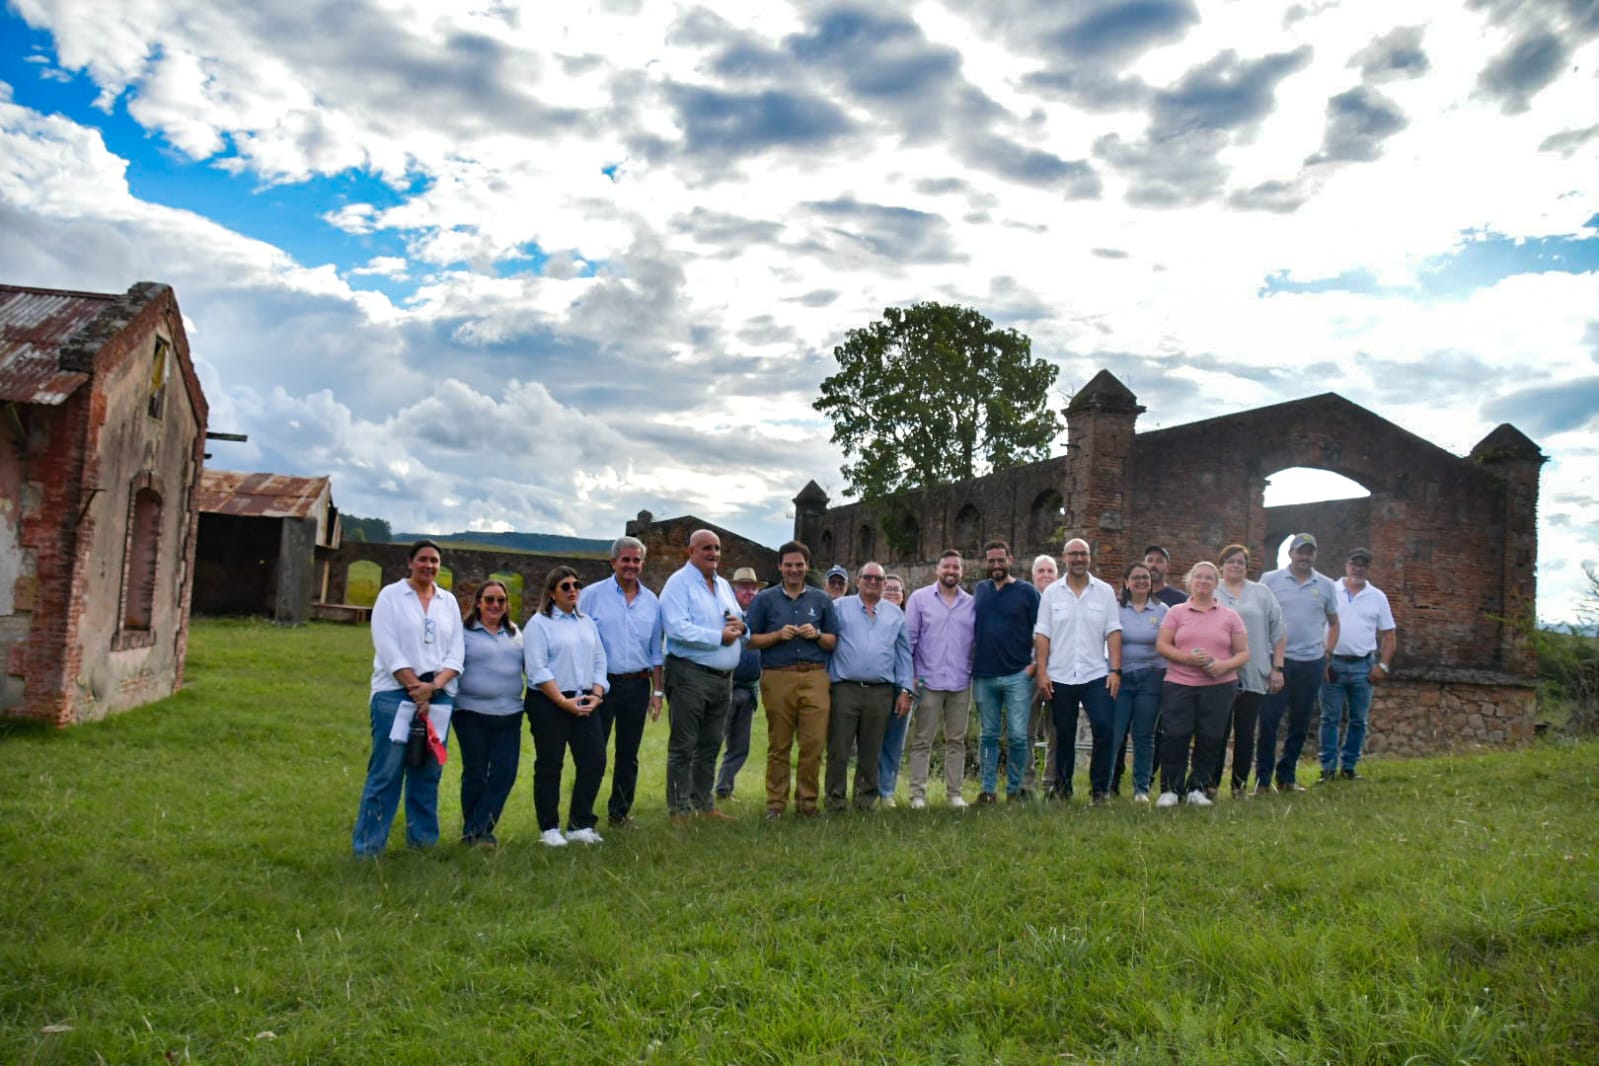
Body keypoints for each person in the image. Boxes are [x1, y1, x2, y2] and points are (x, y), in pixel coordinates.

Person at [352, 539, 464, 856]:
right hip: (394, 693)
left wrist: (434, 687)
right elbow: (388, 648)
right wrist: (417, 689)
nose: (429, 566)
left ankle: (423, 845)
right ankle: (368, 847)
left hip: (439, 696)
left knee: (428, 772)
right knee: (386, 772)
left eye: (435, 561)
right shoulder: (391, 596)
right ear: (410, 562)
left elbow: (457, 652)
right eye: (423, 559)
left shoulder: (448, 601)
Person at [659, 529, 746, 823]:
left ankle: (703, 804)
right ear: (690, 552)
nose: (714, 553)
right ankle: (679, 809)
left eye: (717, 548)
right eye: (706, 548)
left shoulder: (722, 585)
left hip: (723, 678)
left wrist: (740, 626)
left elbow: (736, 618)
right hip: (690, 675)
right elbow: (675, 627)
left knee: (710, 745)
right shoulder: (678, 584)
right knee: (684, 746)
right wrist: (717, 637)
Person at [747, 541, 838, 819]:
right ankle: (776, 804)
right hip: (778, 676)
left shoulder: (821, 599)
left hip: (814, 676)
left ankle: (807, 803)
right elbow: (750, 640)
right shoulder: (765, 599)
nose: (794, 570)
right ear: (780, 566)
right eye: (789, 565)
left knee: (813, 744)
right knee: (780, 744)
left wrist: (817, 635)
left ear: (807, 567)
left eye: (799, 565)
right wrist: (776, 635)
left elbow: (833, 641)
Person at [579, 536, 664, 831]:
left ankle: (620, 814)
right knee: (594, 753)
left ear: (643, 564)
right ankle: (582, 817)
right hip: (601, 686)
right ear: (613, 562)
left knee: (628, 754)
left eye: (636, 560)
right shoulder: (591, 595)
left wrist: (657, 691)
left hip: (638, 685)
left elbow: (656, 650)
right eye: (625, 559)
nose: (631, 565)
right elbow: (578, 638)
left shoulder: (652, 601)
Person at [524, 566, 609, 846]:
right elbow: (537, 668)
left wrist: (597, 694)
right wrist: (562, 701)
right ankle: (549, 828)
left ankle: (580, 824)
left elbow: (599, 659)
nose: (573, 590)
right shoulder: (539, 624)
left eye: (577, 584)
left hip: (585, 698)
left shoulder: (586, 622)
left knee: (594, 760)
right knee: (550, 763)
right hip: (549, 701)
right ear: (551, 592)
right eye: (565, 586)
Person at [1033, 538, 1122, 804]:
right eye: (1073, 554)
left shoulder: (1104, 592)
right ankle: (1062, 789)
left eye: (1082, 554)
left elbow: (1114, 631)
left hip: (1095, 674)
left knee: (1105, 729)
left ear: (1089, 557)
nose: (1078, 559)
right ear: (1065, 558)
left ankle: (1099, 790)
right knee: (1063, 734)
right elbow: (1043, 634)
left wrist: (1115, 670)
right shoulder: (1052, 594)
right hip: (1060, 675)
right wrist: (1042, 672)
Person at [1154, 562, 1249, 808]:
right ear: (1190, 580)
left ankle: (1198, 787)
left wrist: (1223, 665)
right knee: (1176, 735)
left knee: (1211, 736)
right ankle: (1171, 789)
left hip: (1219, 685)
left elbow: (1243, 653)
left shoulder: (1230, 616)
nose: (1203, 581)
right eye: (1199, 577)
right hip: (1179, 683)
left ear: (1216, 583)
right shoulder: (1176, 612)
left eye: (1209, 578)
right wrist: (1186, 658)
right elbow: (1163, 646)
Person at [826, 562, 914, 811]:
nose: (873, 582)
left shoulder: (895, 614)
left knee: (871, 750)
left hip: (880, 692)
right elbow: (826, 644)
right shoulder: (838, 607)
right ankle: (835, 801)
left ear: (885, 583)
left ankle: (865, 802)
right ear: (858, 580)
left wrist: (905, 690)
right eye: (868, 577)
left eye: (878, 578)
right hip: (845, 688)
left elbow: (904, 656)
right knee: (839, 748)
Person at [1258, 533, 1340, 793]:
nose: (1304, 557)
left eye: (1309, 552)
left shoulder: (1326, 585)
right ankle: (1262, 780)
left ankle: (1287, 777)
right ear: (1290, 553)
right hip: (1277, 662)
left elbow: (1334, 622)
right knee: (1269, 720)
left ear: (1314, 555)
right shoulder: (1270, 580)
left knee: (1300, 722)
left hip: (1311, 663)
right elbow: (1260, 618)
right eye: (1300, 552)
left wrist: (1327, 653)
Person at [452, 580, 524, 848]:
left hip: (510, 714)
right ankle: (478, 834)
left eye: (501, 600)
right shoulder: (463, 633)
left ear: (507, 605)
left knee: (505, 773)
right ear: (478, 602)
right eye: (489, 600)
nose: (495, 605)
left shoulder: (516, 634)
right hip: (471, 714)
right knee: (476, 773)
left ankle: (477, 829)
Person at [905, 549, 977, 809]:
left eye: (956, 568)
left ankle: (954, 794)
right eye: (946, 567)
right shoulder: (920, 599)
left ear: (962, 571)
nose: (951, 571)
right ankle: (917, 795)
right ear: (937, 570)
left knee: (956, 740)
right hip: (927, 681)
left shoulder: (971, 603)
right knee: (923, 739)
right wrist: (909, 676)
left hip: (960, 682)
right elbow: (909, 640)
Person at [972, 540, 1042, 804]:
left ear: (1011, 560)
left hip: (1018, 674)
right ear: (986, 563)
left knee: (1017, 734)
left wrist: (1034, 666)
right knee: (988, 735)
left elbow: (1044, 629)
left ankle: (1015, 790)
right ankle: (988, 790)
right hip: (984, 674)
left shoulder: (1027, 592)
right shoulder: (980, 590)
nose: (996, 565)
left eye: (1001, 560)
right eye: (991, 561)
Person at [1319, 547, 1397, 781]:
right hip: (1333, 663)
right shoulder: (1330, 590)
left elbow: (1389, 634)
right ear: (1346, 565)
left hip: (1363, 664)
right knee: (1329, 718)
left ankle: (1349, 766)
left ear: (1368, 568)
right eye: (1354, 564)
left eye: (1363, 565)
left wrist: (1382, 665)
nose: (1358, 569)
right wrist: (1322, 659)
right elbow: (1316, 623)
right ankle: (1328, 768)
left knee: (1358, 719)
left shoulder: (1377, 596)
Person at [1215, 544, 1286, 798]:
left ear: (1247, 567)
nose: (1235, 565)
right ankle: (1211, 784)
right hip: (1217, 673)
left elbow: (1279, 631)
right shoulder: (1212, 590)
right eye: (1230, 561)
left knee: (1245, 732)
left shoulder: (1261, 593)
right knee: (1217, 732)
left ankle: (1238, 785)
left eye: (1240, 562)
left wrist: (1277, 667)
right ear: (1221, 565)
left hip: (1253, 672)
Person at [1109, 562, 1168, 804]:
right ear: (1126, 582)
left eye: (1145, 577)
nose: (1141, 581)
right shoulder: (1115, 608)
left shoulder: (1162, 610)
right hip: (1120, 678)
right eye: (1136, 577)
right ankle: (1104, 786)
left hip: (1151, 678)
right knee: (1115, 734)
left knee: (1144, 735)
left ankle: (1141, 789)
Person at [715, 567, 766, 801]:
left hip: (750, 687)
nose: (749, 591)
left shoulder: (759, 617)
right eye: (744, 587)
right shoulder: (725, 613)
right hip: (726, 684)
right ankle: (700, 789)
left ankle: (725, 787)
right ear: (734, 589)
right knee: (713, 740)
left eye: (752, 587)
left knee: (740, 746)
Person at [1024, 554, 1061, 796]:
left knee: (1056, 732)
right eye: (1041, 571)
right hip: (1028, 673)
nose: (1045, 575)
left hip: (1058, 672)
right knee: (1024, 730)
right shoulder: (1025, 600)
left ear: (1056, 575)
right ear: (1033, 575)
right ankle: (1026, 783)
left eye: (1050, 571)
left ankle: (1051, 783)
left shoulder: (1063, 600)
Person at [876, 573, 911, 806]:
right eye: (887, 588)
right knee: (871, 741)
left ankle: (886, 791)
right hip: (877, 686)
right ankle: (868, 788)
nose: (891, 593)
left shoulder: (908, 621)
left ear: (903, 596)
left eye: (896, 590)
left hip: (902, 686)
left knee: (894, 742)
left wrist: (907, 688)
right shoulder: (871, 617)